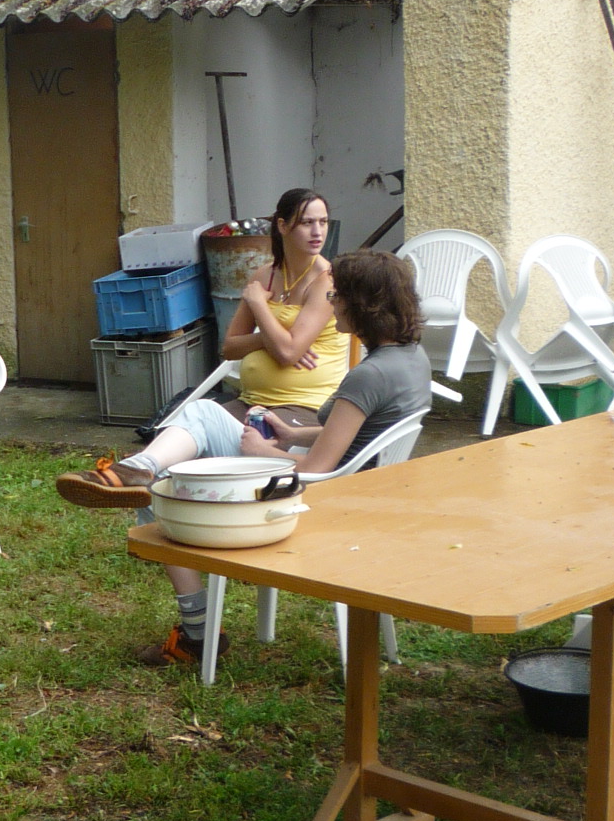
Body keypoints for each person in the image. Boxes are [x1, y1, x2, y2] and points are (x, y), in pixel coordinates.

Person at [56, 249, 431, 666]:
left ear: (362, 304)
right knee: (179, 453)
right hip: (354, 491)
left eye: (336, 295)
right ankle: (138, 472)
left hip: (306, 495)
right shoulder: (411, 359)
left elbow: (316, 469)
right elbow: (362, 433)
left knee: (166, 485)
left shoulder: (369, 375)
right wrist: (294, 434)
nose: (332, 302)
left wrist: (265, 452)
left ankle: (197, 630)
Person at [220, 187, 349, 431]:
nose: (317, 232)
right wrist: (271, 339)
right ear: (283, 226)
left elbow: (288, 353)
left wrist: (259, 304)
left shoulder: (327, 280)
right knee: (192, 423)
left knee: (243, 439)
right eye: (307, 223)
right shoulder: (264, 276)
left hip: (306, 405)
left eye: (323, 222)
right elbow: (229, 348)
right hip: (252, 401)